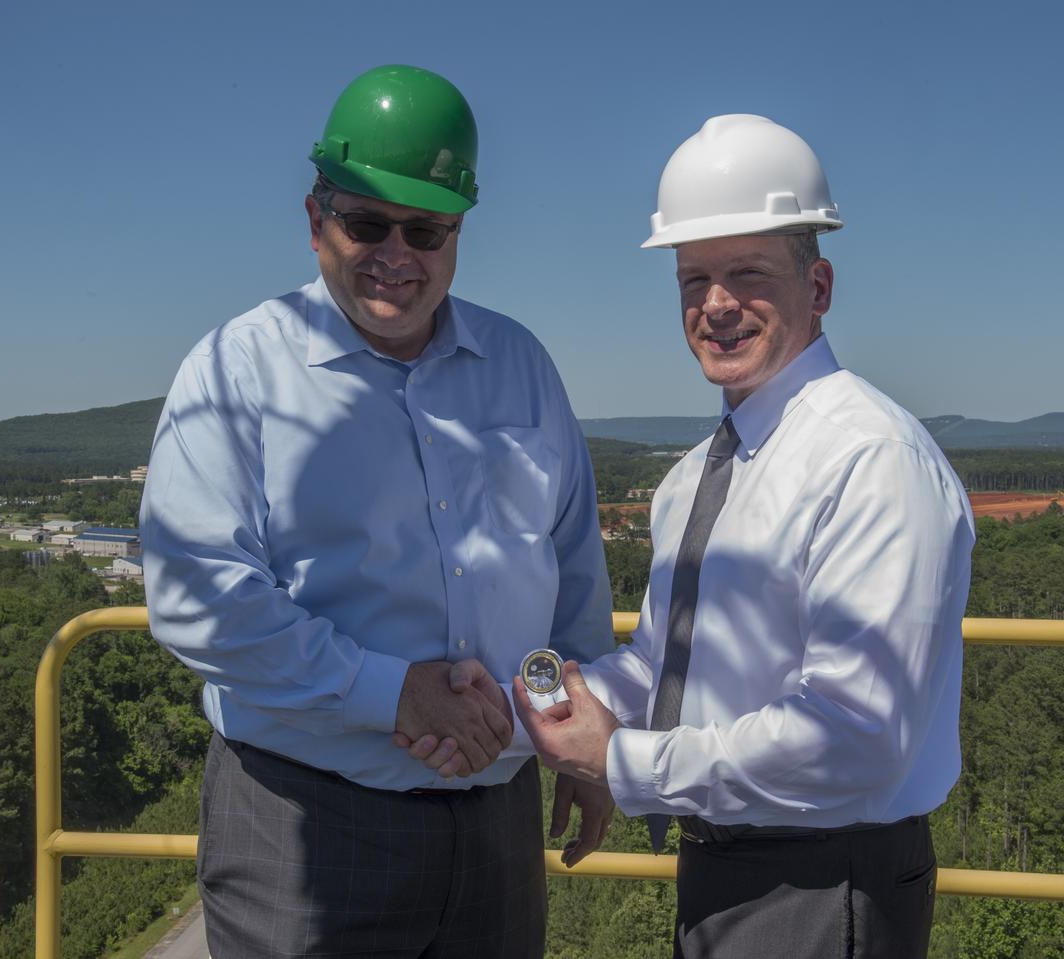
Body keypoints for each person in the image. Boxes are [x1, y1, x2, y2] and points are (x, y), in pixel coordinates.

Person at [412, 114, 975, 957]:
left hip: (825, 882)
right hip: (725, 867)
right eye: (692, 278)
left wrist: (625, 764)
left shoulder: (871, 460)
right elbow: (667, 664)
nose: (715, 306)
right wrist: (556, 694)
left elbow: (858, 735)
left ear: (817, 286)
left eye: (747, 274)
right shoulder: (696, 478)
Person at [139, 64, 614, 958]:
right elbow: (197, 594)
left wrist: (570, 734)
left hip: (497, 831)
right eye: (367, 223)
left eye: (426, 228)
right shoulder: (238, 371)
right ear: (316, 221)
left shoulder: (522, 369)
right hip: (306, 828)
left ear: (459, 234)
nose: (398, 253)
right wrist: (394, 692)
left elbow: (571, 584)